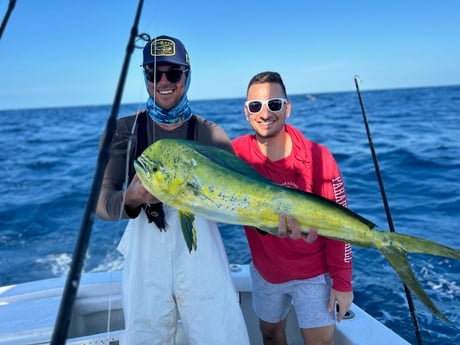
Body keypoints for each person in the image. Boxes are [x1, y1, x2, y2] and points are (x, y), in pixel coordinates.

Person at [96, 35, 250, 345]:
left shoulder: (210, 133)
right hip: (145, 257)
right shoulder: (124, 130)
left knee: (220, 336)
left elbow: (241, 197)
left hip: (200, 253)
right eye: (153, 73)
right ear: (146, 77)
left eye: (174, 73)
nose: (163, 81)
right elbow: (101, 204)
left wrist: (275, 225)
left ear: (187, 75)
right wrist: (133, 196)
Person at [232, 71, 354, 345]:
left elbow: (341, 225)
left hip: (313, 273)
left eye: (274, 104)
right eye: (256, 106)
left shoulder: (318, 157)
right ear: (246, 112)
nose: (265, 113)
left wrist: (343, 284)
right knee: (270, 335)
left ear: (287, 108)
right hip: (266, 271)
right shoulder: (234, 155)